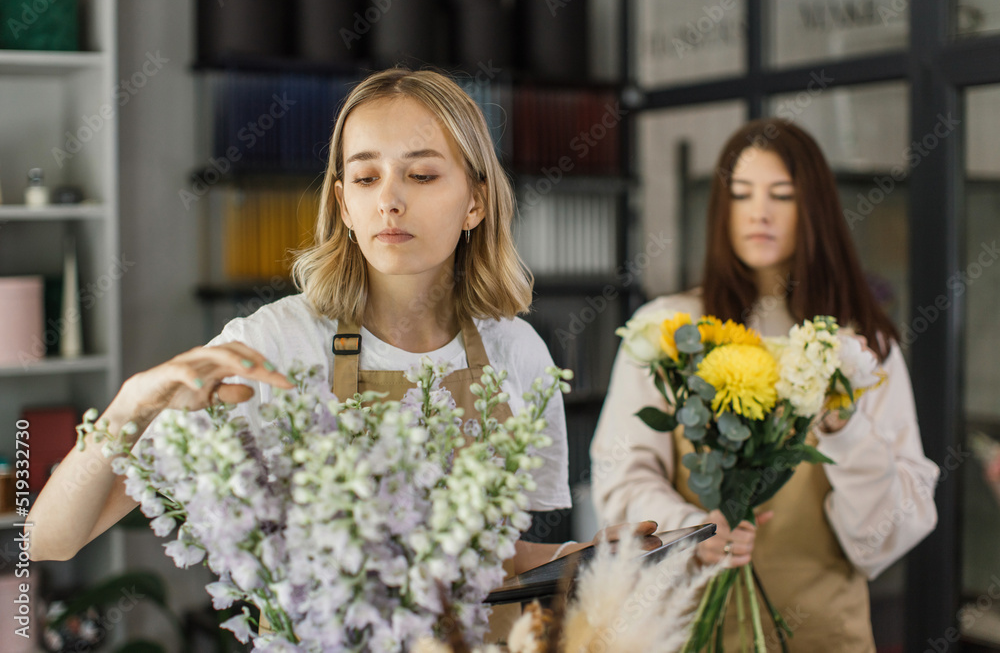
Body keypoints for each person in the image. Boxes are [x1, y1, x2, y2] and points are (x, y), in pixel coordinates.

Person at [27, 68, 658, 634]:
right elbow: (50, 538)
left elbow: (502, 561)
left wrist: (599, 557)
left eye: (421, 173)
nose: (390, 197)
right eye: (365, 175)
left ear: (476, 201)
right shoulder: (273, 346)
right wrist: (131, 403)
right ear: (343, 203)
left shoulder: (518, 351)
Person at [590, 118, 940, 650]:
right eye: (741, 194)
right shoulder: (670, 329)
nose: (759, 212)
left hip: (823, 635)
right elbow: (620, 472)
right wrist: (692, 532)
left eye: (782, 195)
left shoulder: (862, 349)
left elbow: (887, 535)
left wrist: (845, 428)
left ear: (814, 208)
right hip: (685, 629)